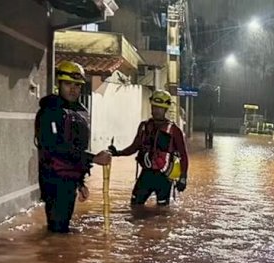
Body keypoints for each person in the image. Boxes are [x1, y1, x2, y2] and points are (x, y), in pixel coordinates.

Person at [34, 60, 112, 233]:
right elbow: (55, 147)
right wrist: (93, 158)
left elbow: (76, 148)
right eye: (68, 84)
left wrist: (80, 182)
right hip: (54, 179)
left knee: (62, 229)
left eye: (77, 85)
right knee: (58, 231)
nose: (73, 89)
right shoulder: (50, 112)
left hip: (70, 180)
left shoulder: (79, 112)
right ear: (59, 84)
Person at [109, 90, 188, 207]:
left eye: (160, 108)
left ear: (165, 109)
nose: (156, 110)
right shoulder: (144, 127)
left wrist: (183, 178)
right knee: (135, 205)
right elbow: (134, 147)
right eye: (154, 107)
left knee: (162, 212)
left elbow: (183, 155)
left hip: (164, 177)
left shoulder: (174, 130)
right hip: (146, 174)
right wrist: (117, 153)